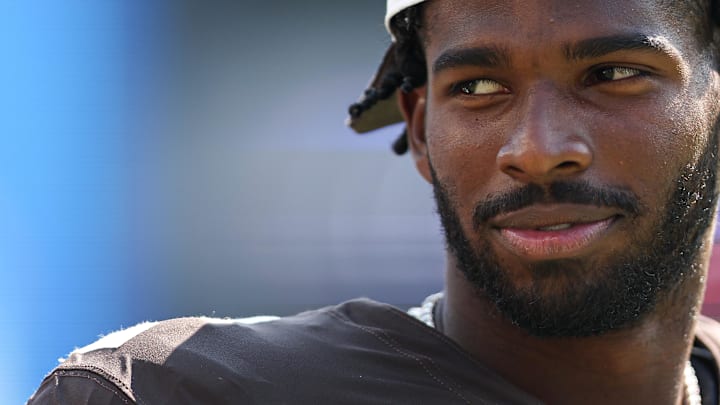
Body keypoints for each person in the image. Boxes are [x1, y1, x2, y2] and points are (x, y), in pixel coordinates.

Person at [28, 1, 720, 404]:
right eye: (478, 87)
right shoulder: (168, 391)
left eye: (615, 74)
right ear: (420, 129)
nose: (536, 149)